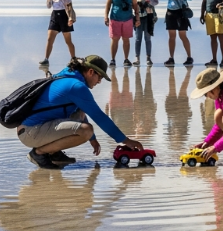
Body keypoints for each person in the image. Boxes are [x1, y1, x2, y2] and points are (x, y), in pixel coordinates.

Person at [15, 55, 144, 169]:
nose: (99, 82)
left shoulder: (67, 77)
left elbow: (80, 114)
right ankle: (38, 153)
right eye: (99, 77)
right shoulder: (77, 86)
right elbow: (99, 116)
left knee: (80, 115)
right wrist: (126, 141)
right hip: (31, 131)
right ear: (90, 72)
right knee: (86, 130)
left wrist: (92, 140)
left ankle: (54, 153)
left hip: (31, 128)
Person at [104, 0, 141, 67]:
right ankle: (113, 59)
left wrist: (137, 18)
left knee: (126, 39)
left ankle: (126, 59)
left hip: (127, 18)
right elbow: (108, 4)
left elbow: (135, 5)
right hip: (115, 18)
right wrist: (106, 17)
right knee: (115, 39)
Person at [161, 0, 194, 66]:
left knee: (182, 35)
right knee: (172, 36)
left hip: (181, 12)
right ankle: (171, 58)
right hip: (171, 11)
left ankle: (189, 57)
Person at [40, 0, 76, 66]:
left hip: (64, 16)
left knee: (68, 41)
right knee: (49, 39)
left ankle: (73, 58)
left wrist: (70, 18)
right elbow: (48, 6)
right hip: (54, 16)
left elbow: (69, 7)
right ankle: (46, 59)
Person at [133, 0, 159, 66]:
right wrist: (139, 2)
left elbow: (156, 2)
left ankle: (148, 58)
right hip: (138, 16)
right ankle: (137, 58)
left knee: (147, 38)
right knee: (138, 38)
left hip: (149, 16)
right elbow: (133, 3)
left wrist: (149, 2)